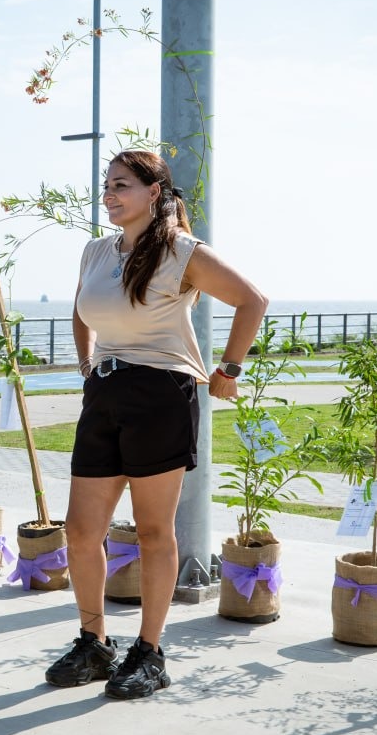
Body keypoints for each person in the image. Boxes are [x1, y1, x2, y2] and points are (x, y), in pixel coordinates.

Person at [44, 149, 268, 700]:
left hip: (161, 393)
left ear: (154, 191)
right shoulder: (96, 251)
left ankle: (149, 651)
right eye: (106, 185)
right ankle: (94, 642)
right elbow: (81, 310)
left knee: (152, 532)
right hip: (107, 391)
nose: (109, 195)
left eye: (121, 185)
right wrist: (87, 366)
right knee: (80, 531)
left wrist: (229, 368)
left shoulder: (178, 250)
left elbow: (252, 300)